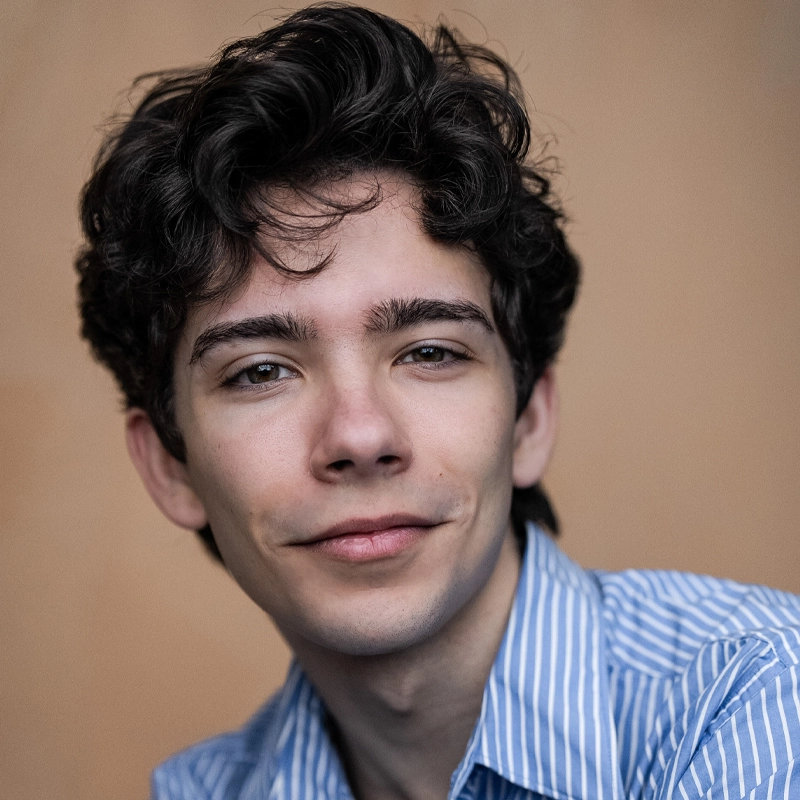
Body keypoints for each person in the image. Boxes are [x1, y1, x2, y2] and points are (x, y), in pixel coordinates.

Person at [75, 5, 800, 799]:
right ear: (169, 466)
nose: (359, 434)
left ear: (529, 417)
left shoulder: (755, 696)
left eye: (429, 352)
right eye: (260, 372)